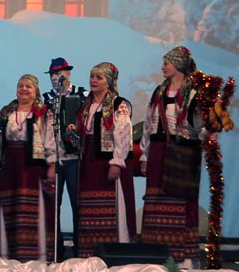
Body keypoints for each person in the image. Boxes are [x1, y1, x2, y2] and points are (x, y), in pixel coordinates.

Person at [140, 46, 217, 264]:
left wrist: (209, 133)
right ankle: (155, 253)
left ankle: (182, 257)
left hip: (183, 153)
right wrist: (145, 155)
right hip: (158, 151)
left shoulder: (194, 93)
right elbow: (148, 124)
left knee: (181, 200)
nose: (162, 68)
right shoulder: (159, 92)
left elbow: (200, 124)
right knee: (156, 199)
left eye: (166, 63)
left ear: (178, 65)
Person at [0, 74, 56, 262]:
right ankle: (11, 254)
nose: (24, 89)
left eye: (28, 86)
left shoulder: (43, 113)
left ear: (36, 91)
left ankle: (37, 255)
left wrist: (52, 165)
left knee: (34, 208)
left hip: (34, 168)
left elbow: (50, 139)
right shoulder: (6, 113)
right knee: (12, 209)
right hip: (10, 167)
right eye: (20, 85)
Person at [73, 62, 136, 257]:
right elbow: (84, 133)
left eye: (98, 77)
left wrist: (117, 162)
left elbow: (123, 133)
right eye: (92, 76)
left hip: (107, 162)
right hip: (88, 161)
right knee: (89, 207)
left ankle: (114, 252)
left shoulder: (118, 104)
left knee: (111, 205)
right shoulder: (86, 105)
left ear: (108, 82)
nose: (93, 80)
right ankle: (89, 253)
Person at [41, 57, 87, 259]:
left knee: (78, 204)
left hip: (75, 158)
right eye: (52, 74)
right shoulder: (47, 99)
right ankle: (56, 248)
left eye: (58, 74)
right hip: (55, 159)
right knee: (53, 205)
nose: (54, 78)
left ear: (68, 74)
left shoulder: (82, 95)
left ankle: (80, 246)